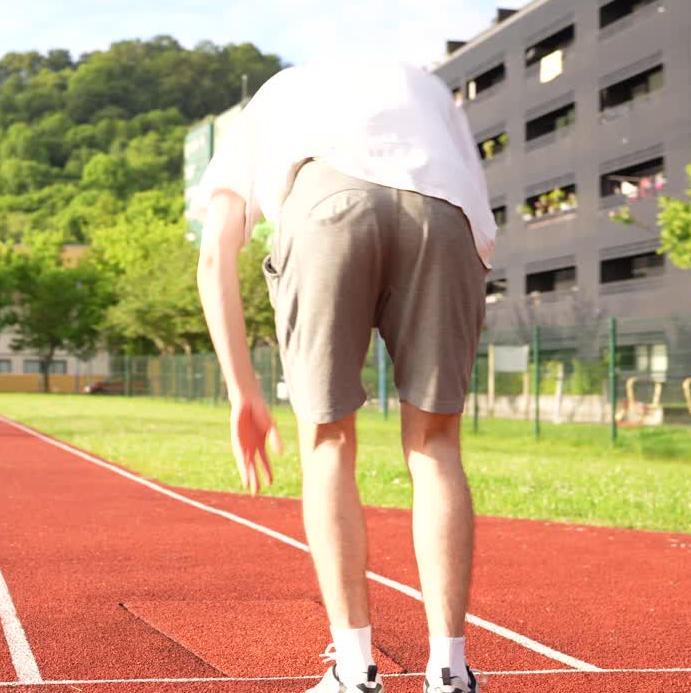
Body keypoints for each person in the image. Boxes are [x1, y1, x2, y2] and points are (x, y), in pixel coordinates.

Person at [192, 59, 495, 693]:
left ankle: (355, 671)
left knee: (328, 443)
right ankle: (450, 671)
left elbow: (217, 250)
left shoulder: (276, 93)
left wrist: (243, 392)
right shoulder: (428, 87)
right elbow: (481, 223)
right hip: (442, 213)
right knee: (437, 444)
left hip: (326, 204)